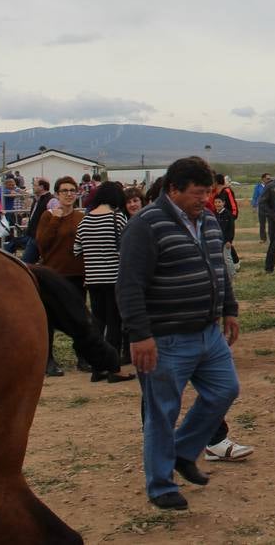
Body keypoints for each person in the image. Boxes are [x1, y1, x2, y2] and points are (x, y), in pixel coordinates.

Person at [116, 156, 240, 511]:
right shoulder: (147, 225)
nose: (205, 199)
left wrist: (229, 309)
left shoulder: (210, 221)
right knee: (162, 411)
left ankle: (183, 451)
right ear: (173, 189)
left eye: (208, 193)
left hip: (208, 332)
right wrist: (140, 334)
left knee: (225, 390)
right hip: (165, 337)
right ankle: (160, 485)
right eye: (198, 193)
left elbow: (219, 270)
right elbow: (129, 286)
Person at [74, 181, 129, 367]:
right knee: (114, 322)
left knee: (98, 323)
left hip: (92, 279)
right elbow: (126, 248)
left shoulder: (85, 220)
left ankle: (97, 366)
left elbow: (76, 249)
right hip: (114, 278)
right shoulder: (117, 218)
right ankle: (113, 366)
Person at [250, 173, 270, 243]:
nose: (269, 180)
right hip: (261, 207)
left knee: (271, 223)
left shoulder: (270, 186)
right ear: (263, 179)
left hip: (270, 207)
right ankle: (263, 239)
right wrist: (254, 206)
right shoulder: (258, 187)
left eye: (269, 178)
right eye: (267, 178)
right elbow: (255, 197)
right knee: (262, 224)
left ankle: (272, 238)